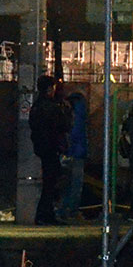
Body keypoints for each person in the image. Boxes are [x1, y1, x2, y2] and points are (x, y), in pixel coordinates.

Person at [29, 74, 70, 225]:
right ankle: (44, 214)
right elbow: (64, 125)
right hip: (52, 147)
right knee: (52, 181)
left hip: (42, 146)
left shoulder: (36, 106)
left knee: (49, 181)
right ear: (49, 89)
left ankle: (46, 214)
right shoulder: (53, 107)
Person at [59, 91, 89, 222]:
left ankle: (64, 209)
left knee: (67, 184)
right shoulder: (79, 115)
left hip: (67, 154)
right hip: (76, 153)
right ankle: (71, 211)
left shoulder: (68, 114)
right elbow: (77, 135)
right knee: (76, 184)